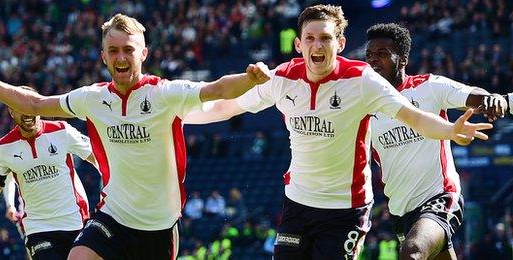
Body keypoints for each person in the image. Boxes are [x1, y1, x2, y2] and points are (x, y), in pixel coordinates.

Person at [184, 5, 492, 259]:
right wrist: (179, 118)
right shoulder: (281, 78)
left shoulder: (362, 80)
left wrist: (451, 129)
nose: (317, 45)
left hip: (345, 209)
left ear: (340, 43)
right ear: (298, 43)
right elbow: (226, 108)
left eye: (326, 38)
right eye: (310, 38)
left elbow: (415, 118)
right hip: (298, 204)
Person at [0, 13, 271, 260]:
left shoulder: (165, 93)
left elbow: (216, 89)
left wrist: (248, 79)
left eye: (128, 49)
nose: (121, 56)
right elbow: (35, 103)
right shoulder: (92, 99)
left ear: (143, 54)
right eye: (113, 50)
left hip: (158, 227)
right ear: (103, 57)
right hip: (112, 217)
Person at [364, 23, 507, 260]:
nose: (373, 61)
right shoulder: (365, 106)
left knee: (412, 253)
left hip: (439, 197)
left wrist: (492, 99)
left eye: (382, 54)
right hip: (400, 210)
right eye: (369, 55)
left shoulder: (428, 86)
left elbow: (472, 95)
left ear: (402, 59)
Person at [0, 85, 97, 259]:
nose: (27, 111)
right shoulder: (3, 148)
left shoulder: (62, 131)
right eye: (20, 106)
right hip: (38, 229)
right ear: (11, 111)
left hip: (76, 222)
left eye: (30, 104)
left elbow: (97, 158)